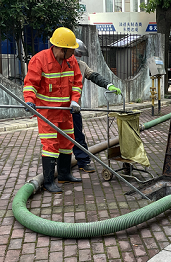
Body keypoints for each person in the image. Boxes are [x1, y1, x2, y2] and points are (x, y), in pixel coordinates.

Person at [23, 27, 83, 194]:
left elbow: (77, 83)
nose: (73, 54)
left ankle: (64, 174)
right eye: (70, 50)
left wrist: (74, 101)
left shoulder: (71, 62)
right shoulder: (39, 60)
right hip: (47, 114)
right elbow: (31, 84)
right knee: (50, 145)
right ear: (61, 48)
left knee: (67, 141)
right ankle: (48, 181)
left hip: (65, 112)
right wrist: (29, 101)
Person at [73, 39, 121, 173]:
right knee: (60, 138)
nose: (79, 56)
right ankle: (61, 166)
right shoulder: (61, 65)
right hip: (61, 109)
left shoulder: (82, 65)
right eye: (78, 53)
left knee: (78, 136)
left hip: (75, 108)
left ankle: (83, 162)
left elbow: (94, 76)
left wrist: (108, 84)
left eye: (81, 54)